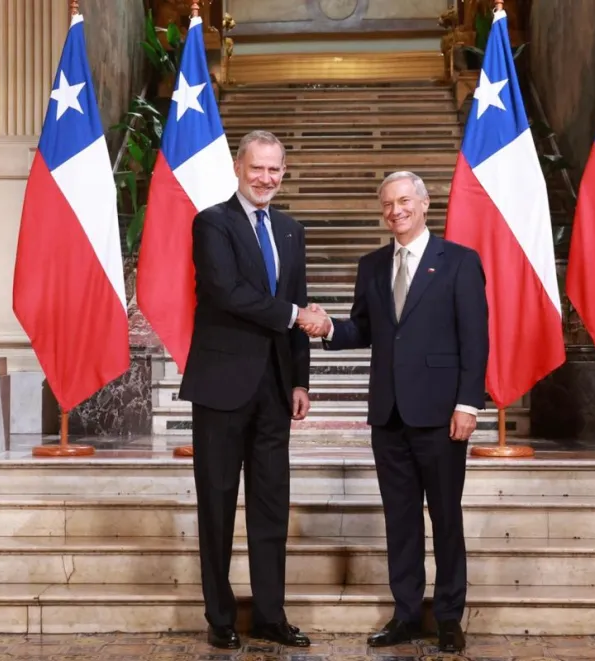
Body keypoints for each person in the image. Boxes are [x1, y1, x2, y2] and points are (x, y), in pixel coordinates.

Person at [300, 171, 488, 653]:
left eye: (404, 201)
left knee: (445, 518)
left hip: (442, 414)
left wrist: (468, 403)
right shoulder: (372, 264)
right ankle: (406, 614)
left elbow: (476, 339)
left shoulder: (459, 262)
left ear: (425, 205)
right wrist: (325, 329)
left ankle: (447, 617)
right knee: (400, 519)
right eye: (387, 204)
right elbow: (363, 329)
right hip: (388, 416)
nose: (395, 211)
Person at [178, 130, 324, 650]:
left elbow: (301, 302)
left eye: (275, 170)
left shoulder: (291, 230)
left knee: (270, 505)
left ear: (284, 173)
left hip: (275, 390)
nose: (266, 178)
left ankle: (269, 615)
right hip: (221, 387)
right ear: (239, 169)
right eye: (257, 168)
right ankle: (219, 616)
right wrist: (293, 316)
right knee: (216, 504)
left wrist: (301, 379)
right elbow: (225, 290)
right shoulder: (212, 222)